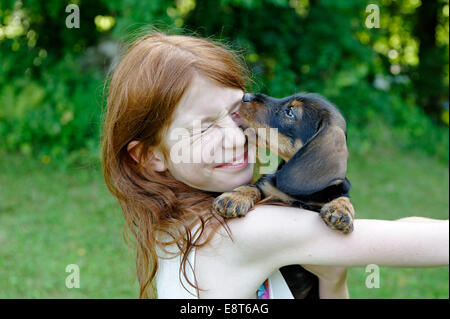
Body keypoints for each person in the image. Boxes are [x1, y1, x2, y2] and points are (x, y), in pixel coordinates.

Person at [101, 31, 449, 299]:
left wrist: (332, 276)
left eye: (237, 113)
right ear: (150, 156)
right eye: (204, 126)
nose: (237, 139)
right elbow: (427, 240)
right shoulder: (244, 232)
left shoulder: (177, 221)